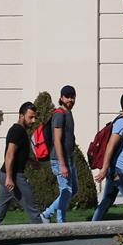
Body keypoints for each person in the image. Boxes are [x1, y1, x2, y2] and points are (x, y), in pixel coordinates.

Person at [0, 102, 42, 226]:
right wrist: (9, 177)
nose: (33, 121)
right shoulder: (17, 131)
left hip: (5, 174)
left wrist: (30, 161)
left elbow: (18, 154)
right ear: (21, 116)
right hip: (14, 176)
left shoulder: (20, 131)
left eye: (34, 117)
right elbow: (9, 154)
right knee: (32, 208)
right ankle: (42, 235)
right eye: (30, 117)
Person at [92, 91, 123, 222]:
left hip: (116, 169)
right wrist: (104, 169)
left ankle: (92, 226)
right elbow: (111, 145)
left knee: (107, 201)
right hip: (121, 170)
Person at [40, 85, 80, 223]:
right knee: (66, 190)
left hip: (69, 158)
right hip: (59, 160)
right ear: (61, 98)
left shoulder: (69, 113)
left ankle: (47, 214)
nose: (70, 100)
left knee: (72, 190)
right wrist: (62, 165)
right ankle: (59, 222)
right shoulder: (59, 114)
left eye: (72, 97)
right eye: (67, 97)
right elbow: (57, 140)